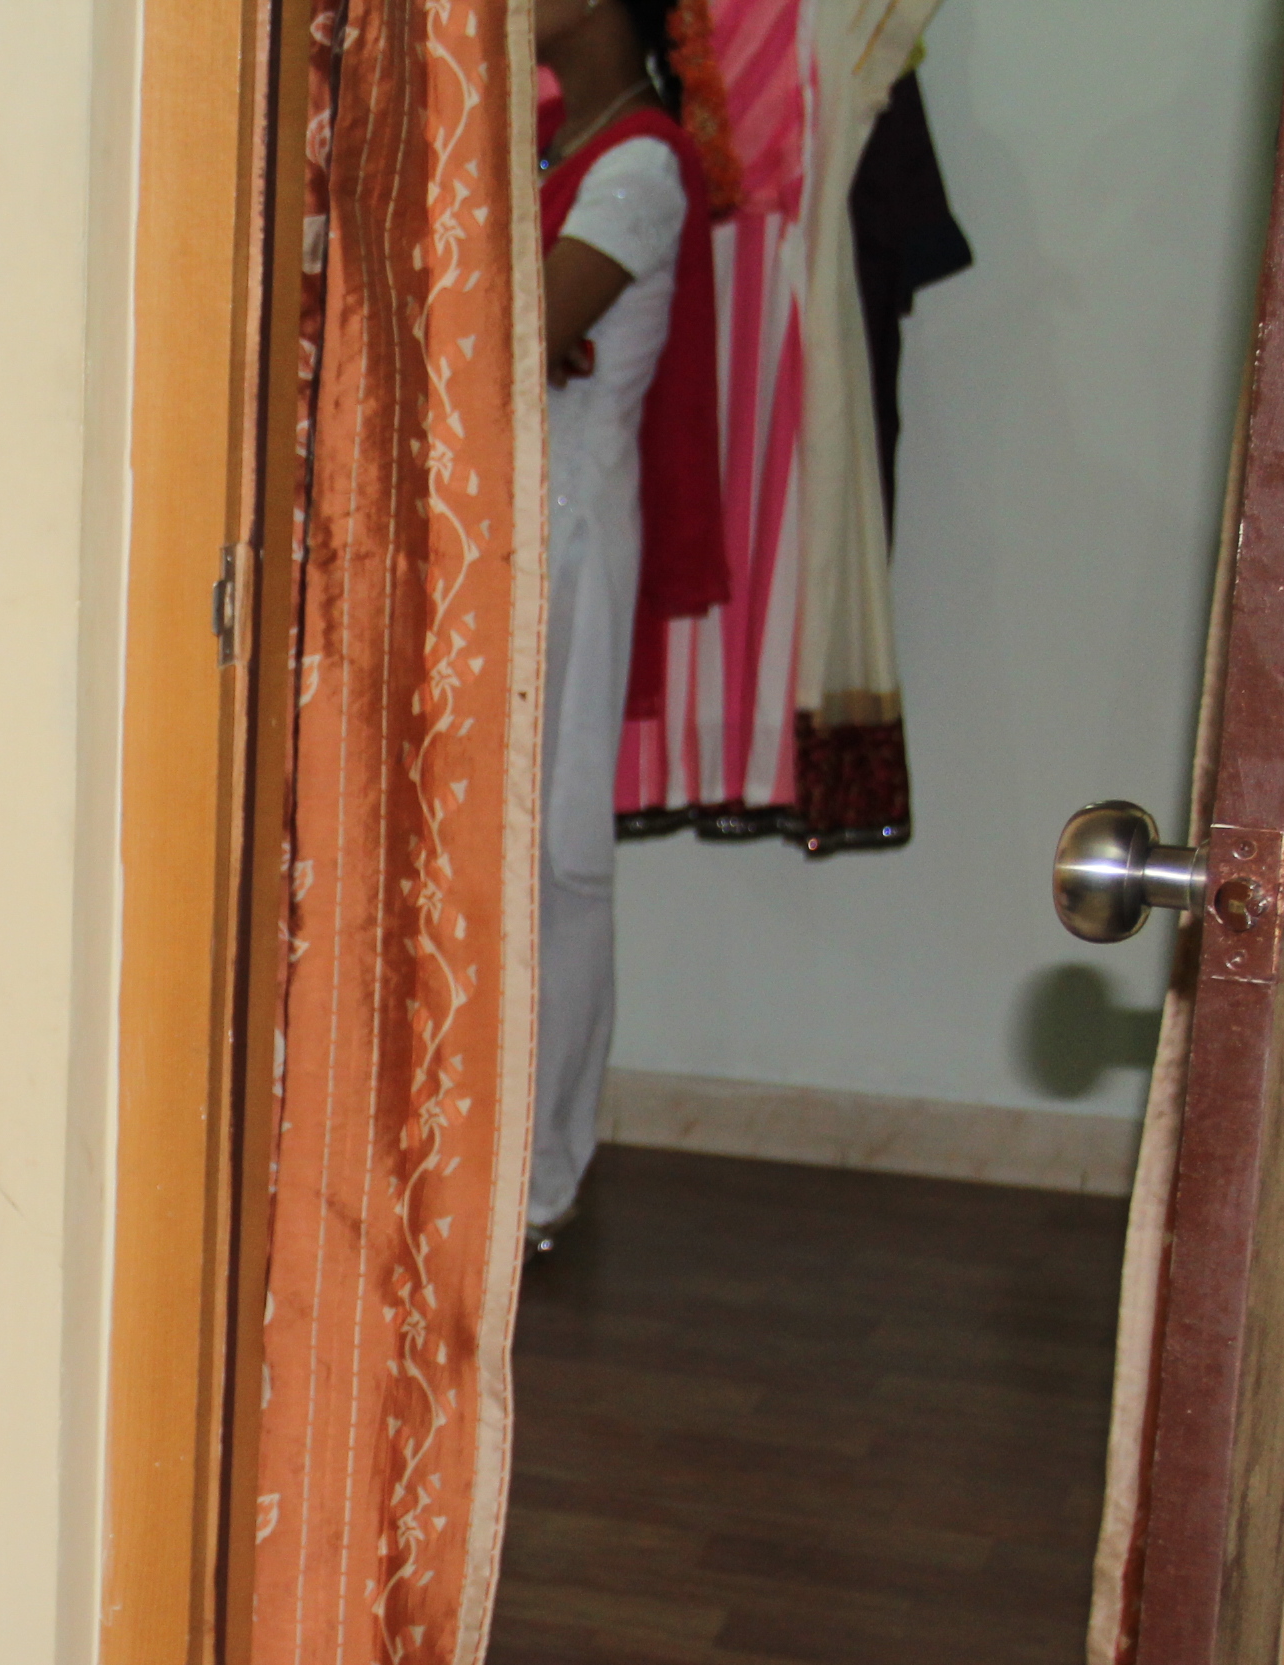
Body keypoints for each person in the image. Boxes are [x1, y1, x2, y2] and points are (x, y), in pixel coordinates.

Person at [530, 0, 725, 1250]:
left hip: (571, 545)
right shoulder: (555, 148)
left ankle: (544, 1176)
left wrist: (525, 331)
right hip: (523, 535)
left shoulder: (641, 163)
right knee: (511, 856)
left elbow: (517, 333)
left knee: (557, 861)